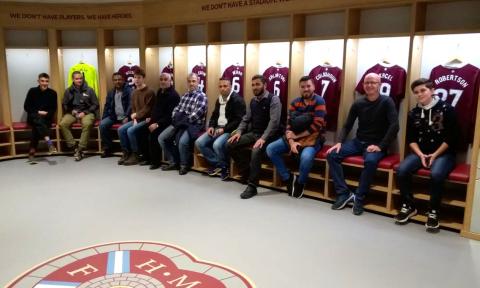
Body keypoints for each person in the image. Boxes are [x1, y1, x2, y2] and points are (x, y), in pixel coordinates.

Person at [326, 73, 399, 215]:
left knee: (371, 161)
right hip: (358, 142)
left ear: (379, 84)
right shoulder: (358, 103)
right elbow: (347, 125)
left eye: (373, 82)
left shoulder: (387, 101)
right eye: (367, 82)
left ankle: (359, 197)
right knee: (332, 155)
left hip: (376, 145)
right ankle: (344, 193)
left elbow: (394, 126)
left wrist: (381, 146)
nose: (369, 85)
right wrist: (339, 142)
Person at [395, 78, 458, 231]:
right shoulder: (414, 113)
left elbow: (452, 138)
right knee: (402, 170)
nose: (419, 94)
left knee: (436, 174)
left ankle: (433, 211)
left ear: (432, 90)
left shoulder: (447, 109)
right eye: (416, 92)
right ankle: (409, 206)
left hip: (443, 153)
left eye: (423, 90)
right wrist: (421, 155)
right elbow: (411, 139)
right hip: (420, 152)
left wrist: (435, 155)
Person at [266, 76, 326, 198]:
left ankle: (300, 183)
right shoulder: (294, 102)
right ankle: (288, 178)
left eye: (308, 86)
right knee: (270, 149)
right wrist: (292, 142)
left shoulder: (319, 101)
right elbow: (288, 125)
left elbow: (317, 126)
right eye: (303, 87)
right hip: (293, 138)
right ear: (299, 88)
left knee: (306, 157)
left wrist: (296, 135)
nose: (306, 89)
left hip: (312, 139)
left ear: (313, 86)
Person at [227, 74, 281, 199]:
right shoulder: (253, 101)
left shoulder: (274, 99)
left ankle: (252, 186)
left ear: (265, 85)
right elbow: (245, 119)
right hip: (254, 133)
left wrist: (263, 138)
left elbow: (274, 122)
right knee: (230, 144)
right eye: (253, 85)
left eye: (257, 84)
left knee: (256, 152)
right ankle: (247, 172)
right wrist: (239, 132)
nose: (255, 87)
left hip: (270, 136)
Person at [195, 77, 246, 180]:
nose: (222, 88)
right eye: (220, 86)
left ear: (231, 86)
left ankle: (225, 167)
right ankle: (218, 164)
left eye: (225, 86)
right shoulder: (219, 99)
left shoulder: (237, 100)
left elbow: (238, 121)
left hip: (230, 130)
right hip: (217, 128)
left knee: (217, 144)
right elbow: (214, 115)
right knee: (199, 142)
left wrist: (224, 129)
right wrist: (211, 126)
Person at [158, 73, 207, 175]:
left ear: (198, 82)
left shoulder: (202, 96)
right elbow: (176, 110)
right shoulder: (184, 95)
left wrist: (182, 118)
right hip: (180, 123)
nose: (191, 83)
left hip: (193, 125)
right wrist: (178, 117)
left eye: (193, 81)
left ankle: (184, 164)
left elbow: (196, 115)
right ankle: (174, 161)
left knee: (182, 142)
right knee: (162, 138)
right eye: (189, 81)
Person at [117, 68, 155, 166]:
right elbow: (133, 108)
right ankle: (126, 153)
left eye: (139, 77)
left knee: (130, 130)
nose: (136, 80)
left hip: (147, 120)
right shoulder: (133, 92)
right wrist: (134, 119)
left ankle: (136, 154)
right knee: (121, 129)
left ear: (143, 78)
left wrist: (136, 116)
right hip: (137, 119)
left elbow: (148, 109)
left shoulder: (149, 92)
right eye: (135, 77)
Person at [59, 71, 98, 161]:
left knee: (87, 124)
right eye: (77, 79)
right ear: (73, 79)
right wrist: (71, 111)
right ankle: (74, 147)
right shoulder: (68, 91)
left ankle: (80, 149)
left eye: (80, 78)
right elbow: (64, 104)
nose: (79, 80)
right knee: (63, 124)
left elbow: (95, 104)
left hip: (87, 112)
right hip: (73, 113)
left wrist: (85, 112)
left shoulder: (89, 90)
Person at [145, 73, 180, 170]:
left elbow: (170, 116)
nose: (163, 81)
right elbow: (156, 109)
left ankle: (156, 162)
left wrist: (157, 124)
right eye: (161, 79)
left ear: (170, 81)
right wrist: (151, 119)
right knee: (143, 129)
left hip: (168, 123)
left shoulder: (174, 96)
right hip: (158, 120)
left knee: (155, 134)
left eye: (165, 79)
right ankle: (147, 157)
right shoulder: (160, 91)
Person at [23, 72, 58, 163]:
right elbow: (27, 107)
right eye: (42, 81)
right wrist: (38, 112)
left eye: (46, 81)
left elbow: (53, 109)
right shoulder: (32, 91)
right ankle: (49, 142)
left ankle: (32, 152)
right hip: (33, 116)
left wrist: (45, 114)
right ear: (38, 81)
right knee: (37, 119)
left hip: (46, 118)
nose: (44, 83)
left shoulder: (53, 93)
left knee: (37, 126)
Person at [99, 72, 132, 158]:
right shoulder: (111, 92)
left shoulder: (129, 91)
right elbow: (106, 106)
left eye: (119, 79)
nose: (117, 81)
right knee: (102, 125)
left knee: (123, 129)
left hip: (125, 117)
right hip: (114, 116)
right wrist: (103, 118)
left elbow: (130, 105)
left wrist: (127, 116)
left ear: (123, 80)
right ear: (113, 81)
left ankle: (126, 151)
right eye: (115, 80)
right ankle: (108, 148)